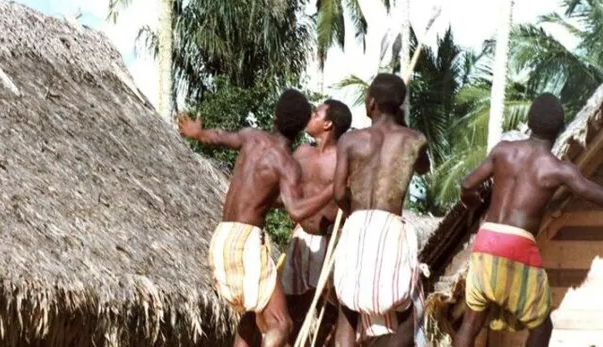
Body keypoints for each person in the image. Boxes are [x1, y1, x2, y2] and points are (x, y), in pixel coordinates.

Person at [452, 93, 603, 347]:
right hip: (517, 247)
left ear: (529, 122)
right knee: (542, 326)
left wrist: (473, 202)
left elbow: (467, 184)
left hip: (487, 239)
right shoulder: (557, 169)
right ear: (560, 129)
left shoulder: (503, 151)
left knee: (471, 321)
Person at [178, 89, 335, 347]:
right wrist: (331, 190)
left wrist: (197, 133)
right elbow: (296, 210)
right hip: (247, 242)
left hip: (222, 238)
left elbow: (217, 137)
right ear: (301, 129)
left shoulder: (252, 137)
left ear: (274, 117)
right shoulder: (287, 164)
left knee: (251, 318)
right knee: (281, 324)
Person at [330, 73, 428, 347]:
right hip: (391, 230)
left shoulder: (350, 141)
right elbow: (423, 167)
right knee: (407, 309)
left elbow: (339, 192)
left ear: (370, 103)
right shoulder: (414, 139)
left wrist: (355, 217)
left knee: (348, 310)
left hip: (357, 225)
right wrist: (403, 123)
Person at [280, 99, 352, 345]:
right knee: (291, 307)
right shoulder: (301, 152)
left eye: (317, 113)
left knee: (330, 311)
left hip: (331, 242)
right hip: (301, 238)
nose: (311, 116)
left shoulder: (343, 159)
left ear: (328, 123)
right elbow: (286, 194)